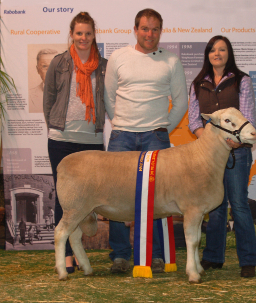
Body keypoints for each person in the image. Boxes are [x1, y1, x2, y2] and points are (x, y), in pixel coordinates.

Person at [104, 8, 188, 273]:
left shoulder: (171, 61)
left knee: (158, 198)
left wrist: (162, 129)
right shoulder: (118, 57)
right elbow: (109, 98)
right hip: (122, 137)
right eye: (144, 28)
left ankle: (157, 255)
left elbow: (181, 102)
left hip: (155, 138)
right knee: (115, 197)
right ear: (135, 29)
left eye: (155, 29)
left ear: (160, 31)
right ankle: (119, 255)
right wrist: (121, 125)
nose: (149, 34)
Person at [188, 35, 256, 277]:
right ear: (207, 54)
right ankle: (213, 257)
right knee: (215, 207)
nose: (217, 54)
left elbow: (248, 118)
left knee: (239, 205)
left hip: (238, 154)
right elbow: (194, 120)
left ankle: (248, 261)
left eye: (222, 50)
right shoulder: (198, 83)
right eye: (212, 50)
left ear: (229, 54)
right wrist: (208, 142)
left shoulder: (242, 81)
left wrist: (235, 142)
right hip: (211, 158)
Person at [43, 12, 107, 274]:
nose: (83, 38)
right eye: (79, 33)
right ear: (72, 34)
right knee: (65, 198)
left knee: (89, 199)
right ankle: (67, 255)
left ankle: (80, 252)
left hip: (91, 142)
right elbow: (49, 101)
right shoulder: (59, 63)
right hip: (61, 141)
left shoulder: (103, 65)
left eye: (88, 33)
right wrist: (59, 126)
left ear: (94, 35)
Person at [29, 49, 58, 113]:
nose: (49, 71)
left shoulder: (71, 92)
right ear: (38, 70)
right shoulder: (29, 95)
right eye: (44, 66)